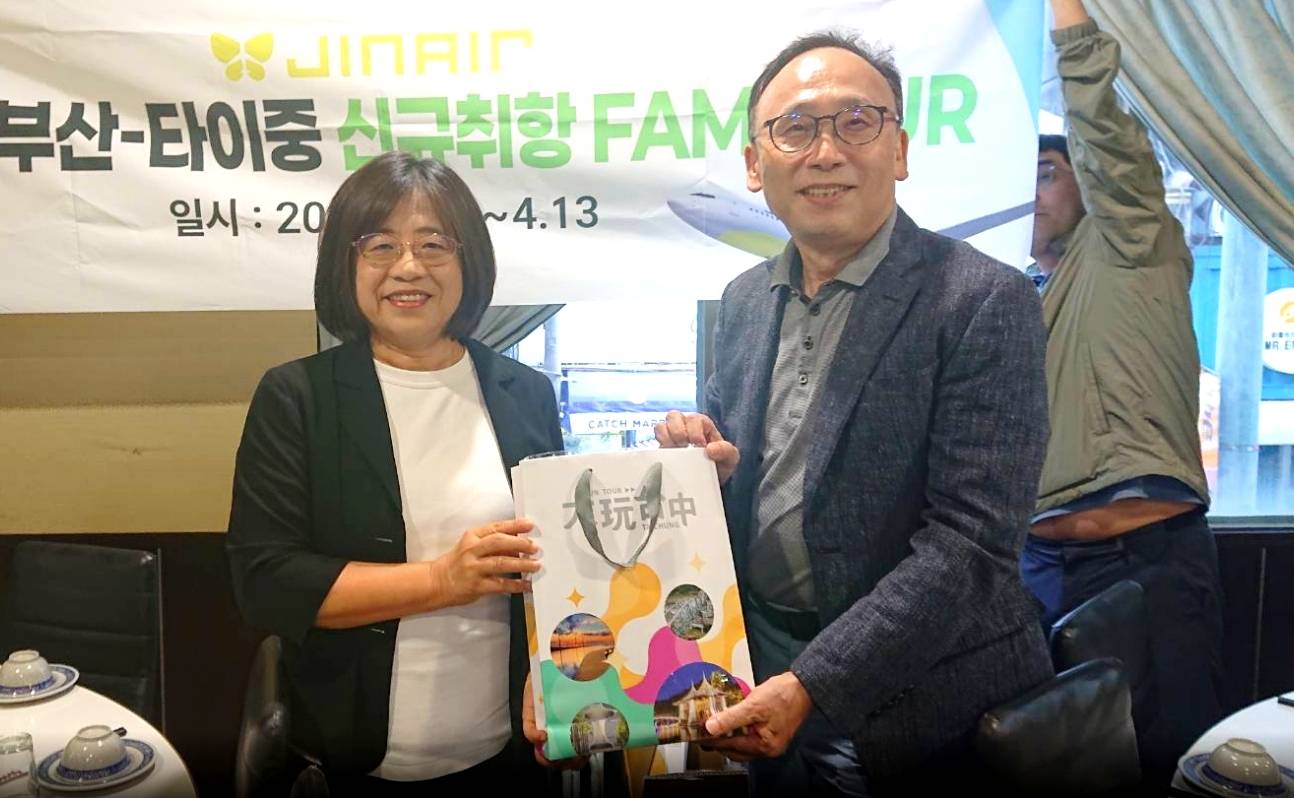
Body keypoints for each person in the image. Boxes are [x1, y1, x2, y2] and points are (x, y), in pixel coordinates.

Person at [655, 30, 1053, 796]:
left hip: (925, 701)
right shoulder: (743, 301)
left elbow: (972, 544)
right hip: (758, 668)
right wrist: (708, 468)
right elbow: (751, 478)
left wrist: (816, 682)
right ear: (755, 164)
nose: (826, 151)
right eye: (796, 128)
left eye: (857, 122)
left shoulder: (982, 300)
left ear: (898, 150)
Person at [226, 151, 565, 793]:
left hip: (510, 756)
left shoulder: (526, 393)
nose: (408, 267)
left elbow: (557, 566)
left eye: (433, 244)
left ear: (468, 261)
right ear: (345, 266)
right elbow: (266, 582)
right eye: (380, 246)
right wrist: (441, 580)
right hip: (349, 766)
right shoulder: (297, 397)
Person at [1022, 0, 1225, 779]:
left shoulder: (1131, 236)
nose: (1031, 193)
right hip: (1039, 568)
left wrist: (1068, 23)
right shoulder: (1021, 297)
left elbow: (1105, 133)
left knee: (1166, 763)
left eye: (1047, 173)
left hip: (1146, 562)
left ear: (1091, 182)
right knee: (1057, 772)